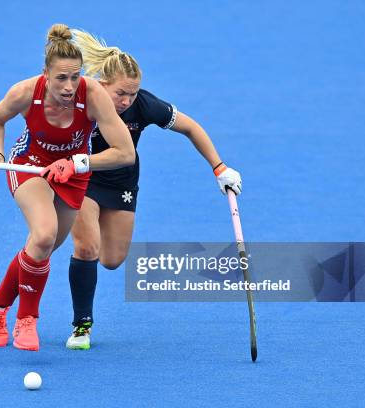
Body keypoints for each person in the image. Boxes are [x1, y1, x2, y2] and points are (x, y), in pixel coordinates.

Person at [65, 29, 242, 350]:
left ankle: (84, 260)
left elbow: (190, 127)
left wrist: (219, 167)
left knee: (112, 259)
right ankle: (82, 326)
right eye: (121, 94)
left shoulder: (143, 105)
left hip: (121, 182)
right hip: (83, 177)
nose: (126, 101)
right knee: (87, 247)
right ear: (102, 83)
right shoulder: (79, 98)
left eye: (132, 95)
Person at [0, 24, 135, 352]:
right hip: (28, 166)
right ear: (46, 73)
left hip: (72, 174)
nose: (69, 85)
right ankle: (26, 319)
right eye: (61, 78)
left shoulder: (92, 95)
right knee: (44, 234)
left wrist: (77, 164)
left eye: (75, 77)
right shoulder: (24, 92)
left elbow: (125, 153)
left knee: (41, 247)